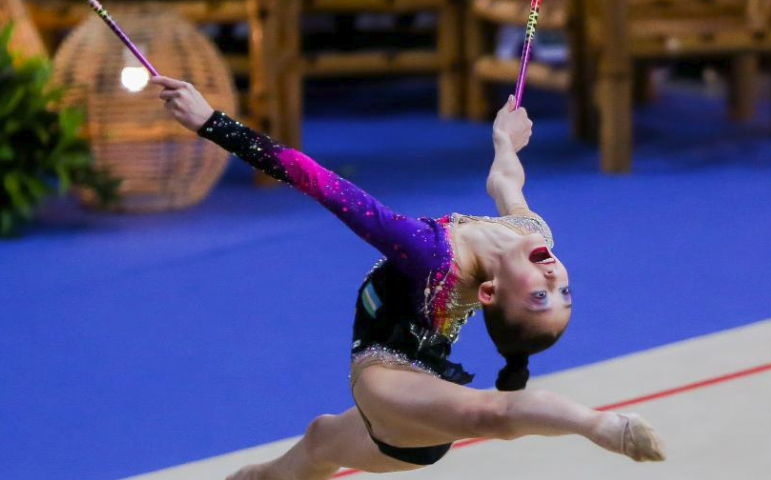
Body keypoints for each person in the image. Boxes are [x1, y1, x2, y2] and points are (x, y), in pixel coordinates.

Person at [150, 75, 666, 480]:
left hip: (394, 384)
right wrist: (504, 140)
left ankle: (602, 427)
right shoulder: (531, 231)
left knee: (484, 416)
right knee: (316, 445)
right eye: (563, 291)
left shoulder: (430, 256)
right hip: (407, 383)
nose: (554, 275)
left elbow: (317, 181)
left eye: (540, 296)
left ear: (488, 293)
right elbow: (505, 179)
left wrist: (211, 122)